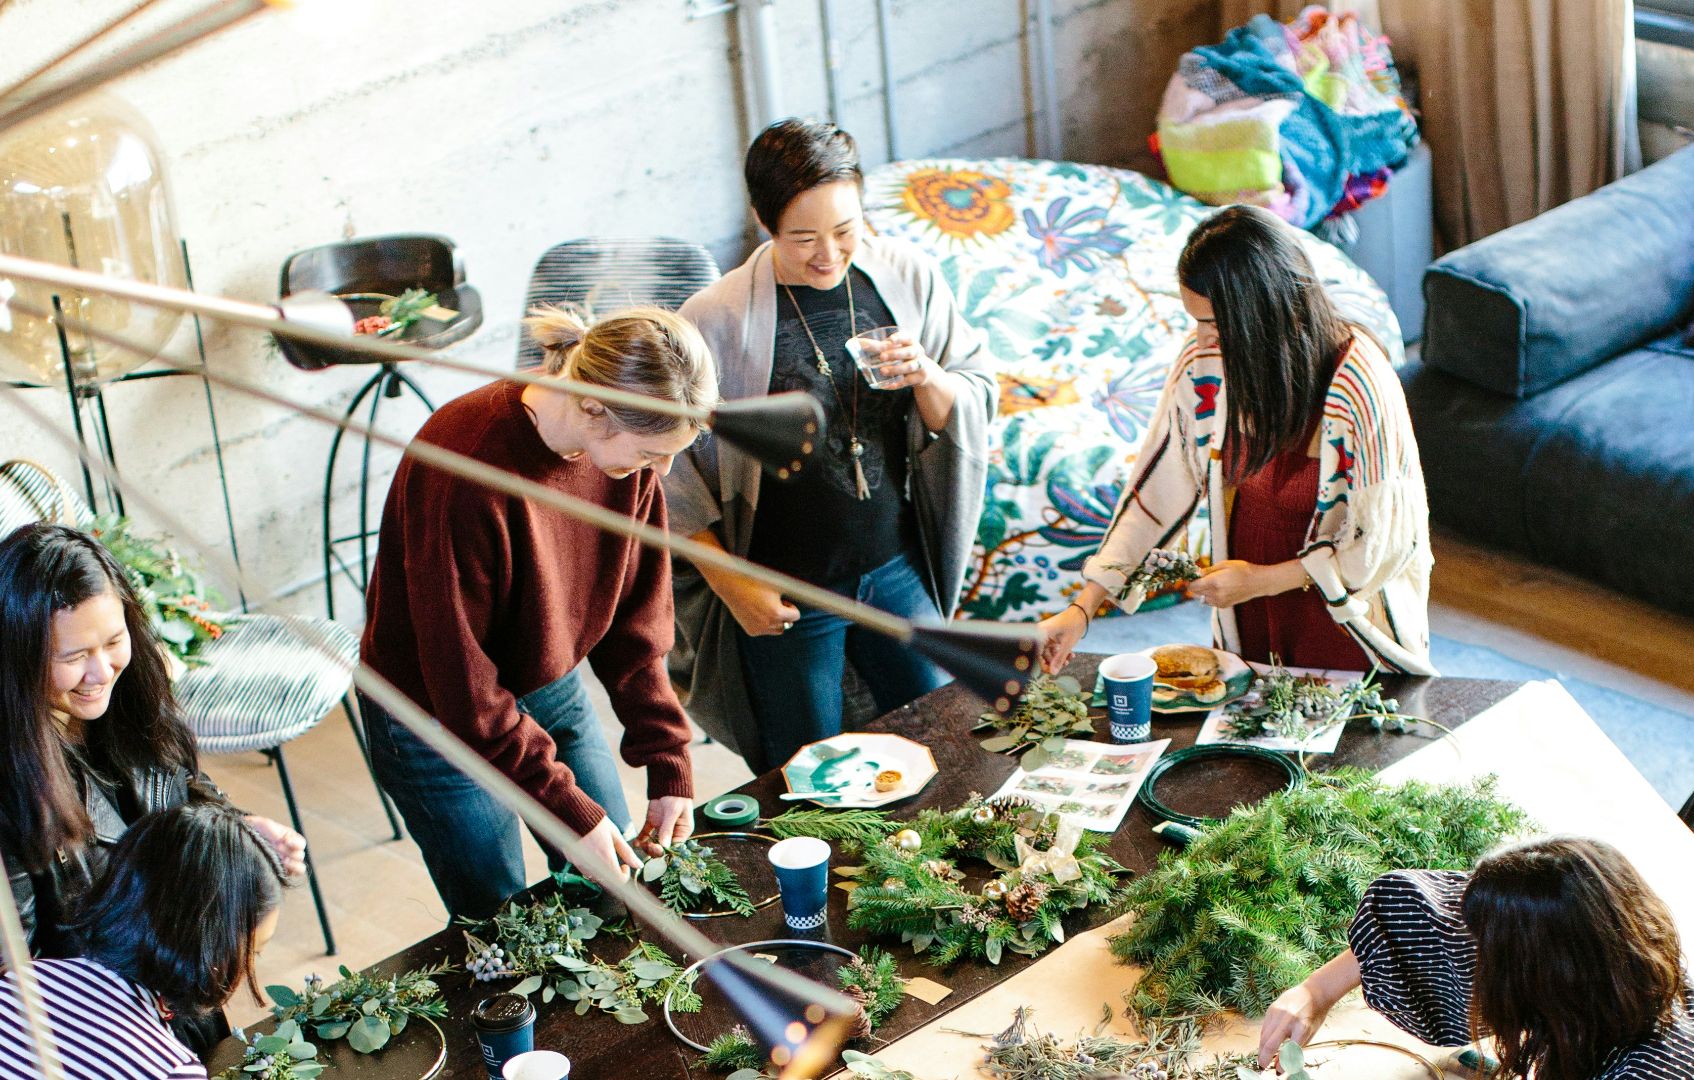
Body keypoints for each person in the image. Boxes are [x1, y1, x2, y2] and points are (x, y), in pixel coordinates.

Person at [359, 305, 716, 922]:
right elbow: (465, 689)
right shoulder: (464, 465)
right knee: (504, 921)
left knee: (615, 888)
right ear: (592, 408)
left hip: (545, 678)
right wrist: (567, 813)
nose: (663, 472)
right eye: (653, 452)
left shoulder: (627, 464)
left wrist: (668, 757)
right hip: (432, 718)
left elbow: (636, 624)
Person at [668, 118, 996, 773]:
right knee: (812, 775)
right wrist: (733, 586)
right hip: (786, 590)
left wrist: (927, 375)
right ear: (763, 222)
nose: (828, 256)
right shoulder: (714, 319)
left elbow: (974, 390)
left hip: (897, 567)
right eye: (803, 239)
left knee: (946, 744)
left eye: (847, 231)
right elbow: (666, 475)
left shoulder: (905, 276)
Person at [1036, 206, 1433, 676]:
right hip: (1246, 603)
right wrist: (1083, 608)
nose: (1201, 339)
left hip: (1345, 617)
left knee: (1349, 739)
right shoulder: (1206, 365)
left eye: (1215, 325)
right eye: (1197, 320)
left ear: (1264, 314)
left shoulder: (1358, 382)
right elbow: (1158, 486)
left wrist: (1265, 581)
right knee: (1244, 729)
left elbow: (1383, 546)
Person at [0, 523, 306, 959]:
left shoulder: (134, 699)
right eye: (73, 656)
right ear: (17, 658)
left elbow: (180, 788)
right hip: (100, 1013)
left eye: (113, 641)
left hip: (172, 981)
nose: (102, 672)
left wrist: (229, 833)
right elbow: (18, 976)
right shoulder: (11, 789)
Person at [1256, 837, 1694, 1080]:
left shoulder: (1655, 1070)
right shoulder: (1612, 953)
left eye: (1485, 954)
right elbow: (1417, 913)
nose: (1466, 954)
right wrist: (1318, 990)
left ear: (1535, 983)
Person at [0, 799, 288, 1080]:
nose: (248, 967)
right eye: (253, 952)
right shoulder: (169, 1069)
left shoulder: (21, 979)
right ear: (209, 949)